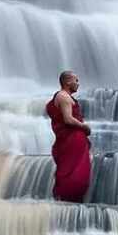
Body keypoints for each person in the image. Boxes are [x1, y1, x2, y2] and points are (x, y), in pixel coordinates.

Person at [45, 70, 92, 203]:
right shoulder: (64, 97)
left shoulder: (60, 96)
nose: (78, 83)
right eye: (76, 80)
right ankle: (69, 200)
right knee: (73, 173)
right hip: (71, 140)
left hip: (68, 140)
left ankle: (68, 202)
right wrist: (84, 127)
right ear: (67, 82)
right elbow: (68, 119)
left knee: (71, 171)